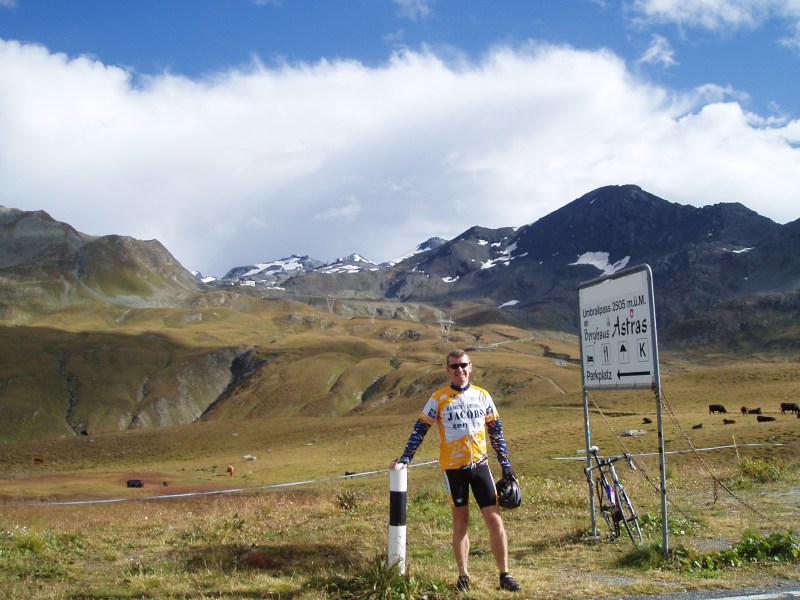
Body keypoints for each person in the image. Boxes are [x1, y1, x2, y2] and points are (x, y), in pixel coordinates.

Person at [391, 349, 522, 593]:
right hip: (454, 469)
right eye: (454, 366)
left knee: (495, 520)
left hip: (480, 466)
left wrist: (506, 465)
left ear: (470, 367)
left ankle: (505, 575)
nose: (459, 370)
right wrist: (406, 457)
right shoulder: (439, 398)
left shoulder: (483, 396)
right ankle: (463, 576)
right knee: (461, 522)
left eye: (463, 365)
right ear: (447, 370)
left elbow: (496, 432)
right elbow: (421, 428)